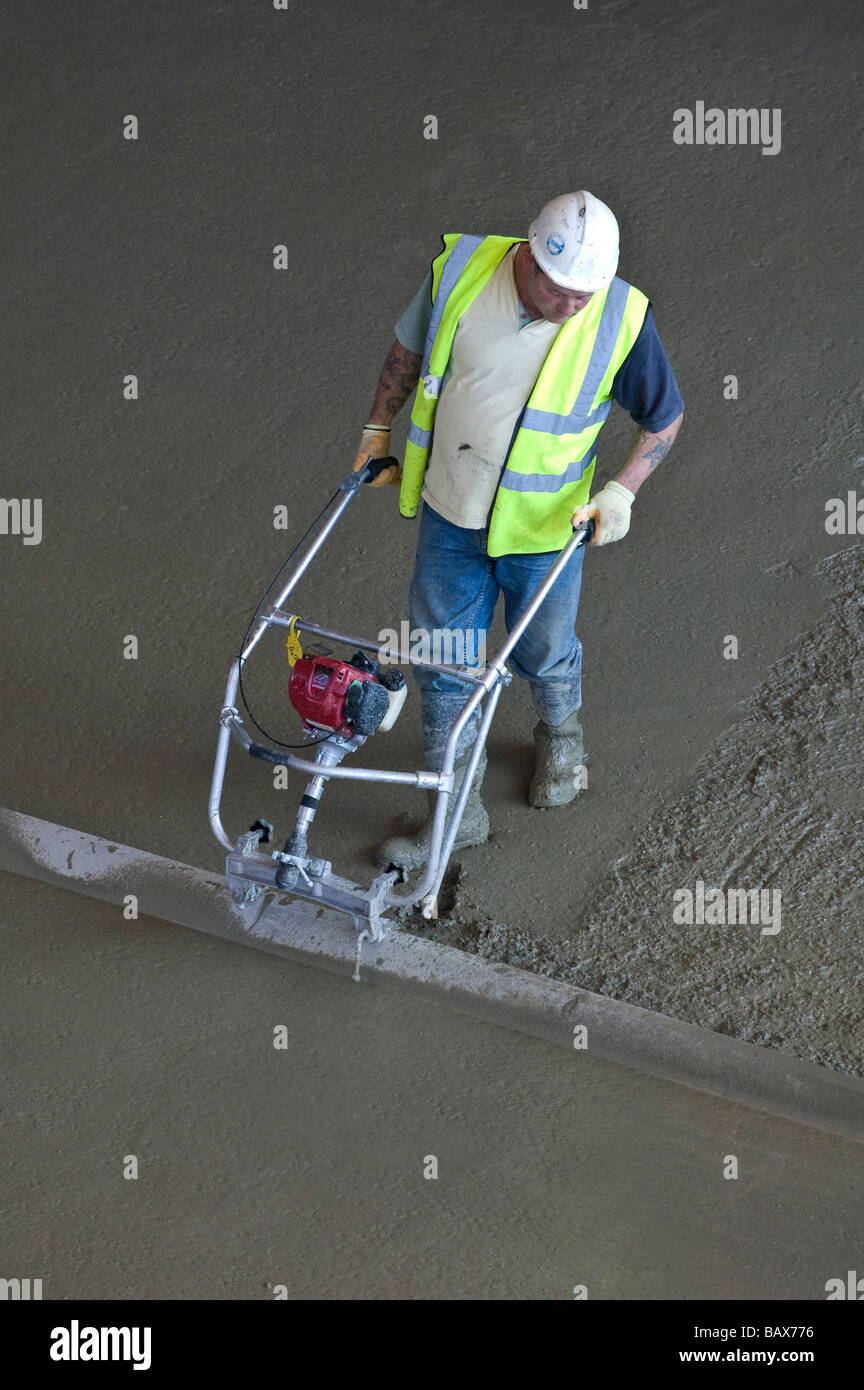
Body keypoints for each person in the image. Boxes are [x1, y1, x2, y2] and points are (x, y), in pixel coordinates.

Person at [351, 191, 684, 871]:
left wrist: (620, 493)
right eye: (557, 290)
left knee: (544, 649)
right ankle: (458, 814)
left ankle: (561, 736)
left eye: (581, 296)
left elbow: (665, 417)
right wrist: (375, 428)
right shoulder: (463, 272)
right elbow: (407, 350)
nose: (568, 306)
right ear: (528, 254)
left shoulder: (619, 315)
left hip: (543, 530)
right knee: (446, 665)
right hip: (451, 512)